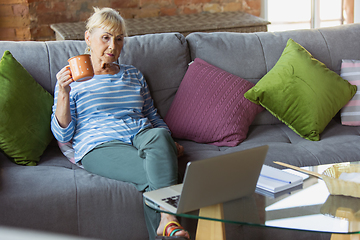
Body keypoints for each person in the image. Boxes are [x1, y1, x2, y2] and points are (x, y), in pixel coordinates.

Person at [51, 7, 190, 240]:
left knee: (158, 137)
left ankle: (167, 221)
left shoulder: (133, 74)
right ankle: (168, 221)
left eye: (118, 39)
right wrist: (64, 93)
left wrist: (168, 141)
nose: (113, 46)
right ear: (88, 38)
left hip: (141, 135)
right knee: (155, 174)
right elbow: (63, 134)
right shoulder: (71, 80)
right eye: (105, 38)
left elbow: (152, 115)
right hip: (100, 143)